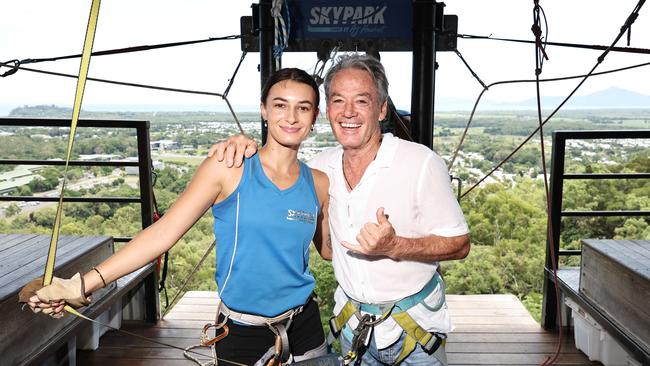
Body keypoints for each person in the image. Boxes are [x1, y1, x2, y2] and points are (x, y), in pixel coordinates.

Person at [20, 68, 332, 365]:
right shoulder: (230, 167)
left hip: (304, 324)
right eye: (280, 105)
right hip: (241, 331)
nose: (291, 117)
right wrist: (82, 285)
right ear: (264, 110)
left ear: (314, 117)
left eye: (303, 108)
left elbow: (329, 251)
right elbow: (163, 233)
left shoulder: (319, 183)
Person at [208, 54, 470, 366]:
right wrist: (242, 145)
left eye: (362, 100)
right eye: (338, 100)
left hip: (414, 334)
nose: (348, 112)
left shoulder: (420, 162)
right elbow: (329, 249)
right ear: (327, 110)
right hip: (351, 329)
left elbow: (460, 244)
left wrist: (396, 246)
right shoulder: (320, 170)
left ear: (382, 108)